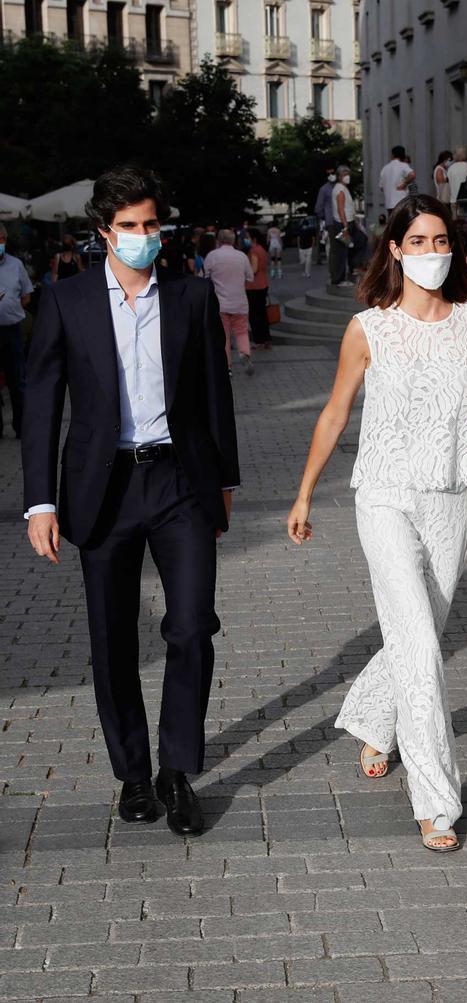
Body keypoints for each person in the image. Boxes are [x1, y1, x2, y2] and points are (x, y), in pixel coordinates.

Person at [287, 194, 467, 852]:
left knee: (420, 629)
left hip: (450, 498)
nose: (433, 253)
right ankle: (436, 799)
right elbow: (333, 414)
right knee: (421, 645)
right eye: (420, 242)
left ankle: (375, 716)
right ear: (395, 250)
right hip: (381, 496)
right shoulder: (367, 329)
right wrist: (303, 494)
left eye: (443, 242)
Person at [22, 165, 239, 837]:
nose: (144, 237)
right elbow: (40, 404)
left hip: (179, 482)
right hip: (103, 488)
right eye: (130, 227)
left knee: (193, 625)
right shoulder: (67, 300)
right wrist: (38, 503)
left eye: (152, 225)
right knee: (115, 640)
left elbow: (214, 394)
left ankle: (177, 770)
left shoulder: (193, 296)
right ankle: (135, 775)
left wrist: (225, 482)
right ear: (103, 232)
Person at [204, 229, 254, 375]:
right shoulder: (241, 256)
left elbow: (204, 277)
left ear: (218, 240)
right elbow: (250, 277)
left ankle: (227, 367)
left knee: (223, 335)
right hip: (240, 301)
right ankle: (244, 353)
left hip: (220, 303)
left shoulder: (212, 256)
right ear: (233, 241)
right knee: (241, 331)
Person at [0, 224, 33, 439]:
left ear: (4, 239)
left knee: (17, 381)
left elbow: (27, 294)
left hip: (12, 329)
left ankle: (21, 427)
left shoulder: (16, 264)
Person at [330, 165, 366, 287]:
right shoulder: (340, 189)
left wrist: (354, 223)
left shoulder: (344, 188)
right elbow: (341, 210)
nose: (347, 177)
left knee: (361, 240)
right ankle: (339, 279)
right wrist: (345, 227)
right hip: (343, 224)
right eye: (345, 174)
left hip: (350, 223)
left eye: (348, 174)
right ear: (339, 176)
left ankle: (354, 268)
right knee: (341, 251)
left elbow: (348, 208)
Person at [246, 228, 272, 351]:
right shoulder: (263, 249)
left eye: (247, 237)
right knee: (262, 314)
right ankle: (266, 339)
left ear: (253, 239)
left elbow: (254, 270)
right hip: (263, 284)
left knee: (254, 315)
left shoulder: (254, 251)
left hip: (253, 286)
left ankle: (259, 340)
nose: (245, 239)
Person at [379, 145, 416, 216]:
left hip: (389, 203)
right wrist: (404, 183)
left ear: (392, 155)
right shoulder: (403, 165)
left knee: (393, 223)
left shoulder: (385, 168)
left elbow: (381, 188)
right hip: (401, 201)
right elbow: (412, 174)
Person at [314, 166, 337, 266]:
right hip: (330, 222)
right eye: (329, 174)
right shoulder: (324, 189)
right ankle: (333, 270)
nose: (331, 175)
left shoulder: (339, 187)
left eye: (333, 173)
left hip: (339, 221)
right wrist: (324, 217)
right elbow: (318, 208)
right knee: (330, 247)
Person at [447, 146, 467, 216]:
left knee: (455, 221)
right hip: (465, 199)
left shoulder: (451, 168)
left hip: (453, 199)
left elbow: (448, 180)